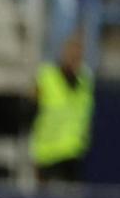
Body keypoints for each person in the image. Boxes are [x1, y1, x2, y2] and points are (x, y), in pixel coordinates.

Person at [30, 33, 93, 184]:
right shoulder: (46, 76)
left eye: (78, 54)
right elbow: (31, 107)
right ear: (63, 53)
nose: (74, 58)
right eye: (71, 53)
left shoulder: (85, 79)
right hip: (47, 153)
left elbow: (85, 113)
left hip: (73, 152)